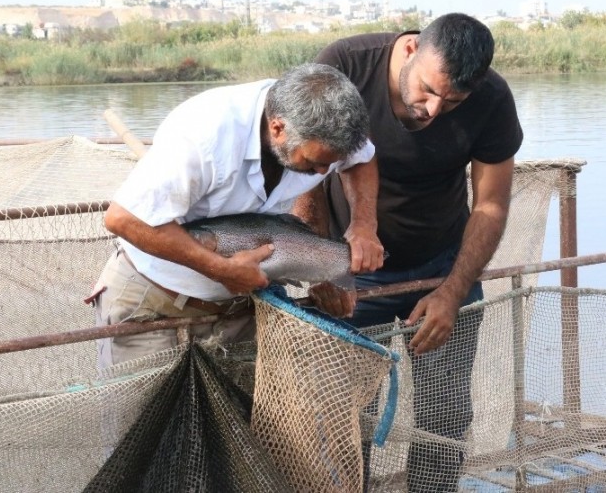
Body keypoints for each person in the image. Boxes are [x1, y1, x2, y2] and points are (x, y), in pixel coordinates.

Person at [296, 13, 524, 492]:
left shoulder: (493, 99)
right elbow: (307, 177)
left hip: (442, 267)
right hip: (351, 275)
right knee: (346, 413)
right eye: (427, 90)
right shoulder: (345, 67)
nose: (434, 109)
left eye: (453, 100)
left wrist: (453, 290)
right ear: (410, 50)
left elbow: (490, 203)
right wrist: (324, 274)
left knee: (446, 413)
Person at [88, 62, 385, 372]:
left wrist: (364, 224)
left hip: (241, 311)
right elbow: (122, 219)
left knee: (237, 416)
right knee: (146, 418)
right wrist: (220, 269)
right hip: (153, 307)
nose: (324, 173)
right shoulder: (203, 134)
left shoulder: (333, 128)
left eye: (331, 163)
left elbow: (362, 159)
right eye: (314, 162)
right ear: (278, 128)